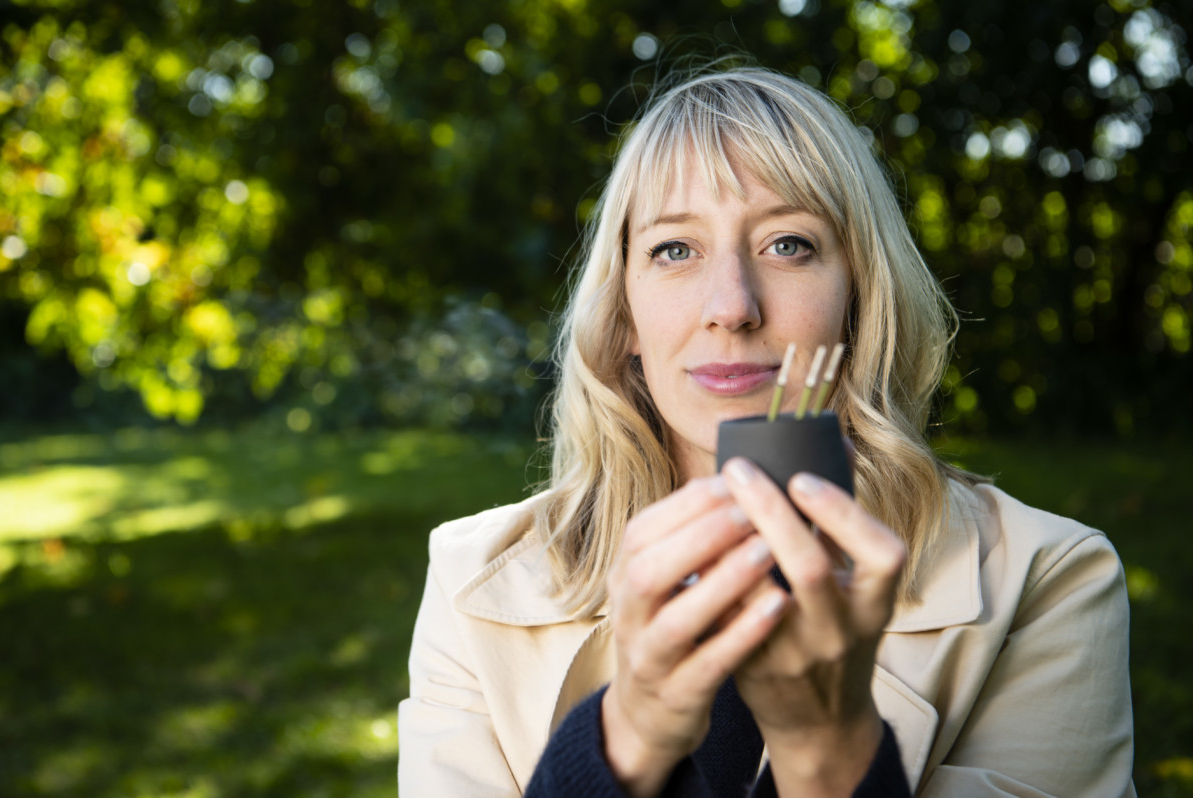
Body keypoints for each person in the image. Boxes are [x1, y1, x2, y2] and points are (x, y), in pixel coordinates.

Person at [398, 67, 1135, 797]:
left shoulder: (1046, 579)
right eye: (675, 250)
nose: (733, 306)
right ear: (624, 317)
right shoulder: (472, 583)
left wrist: (827, 749)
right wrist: (628, 734)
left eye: (788, 244)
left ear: (860, 296)